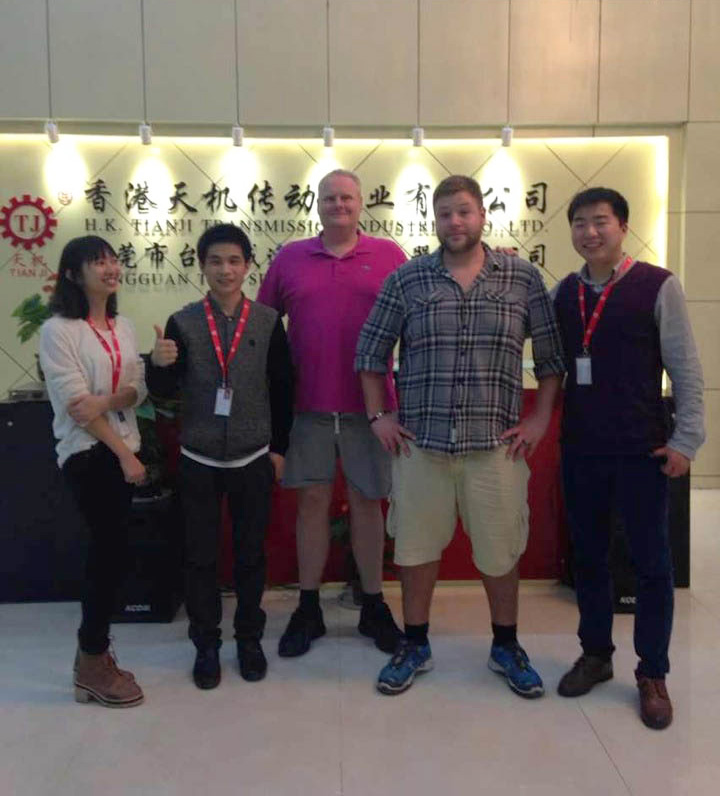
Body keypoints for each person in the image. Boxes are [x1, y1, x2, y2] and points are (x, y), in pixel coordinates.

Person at [355, 174, 565, 697]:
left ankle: (506, 646)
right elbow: (370, 353)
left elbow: (551, 358)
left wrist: (540, 419)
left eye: (464, 211)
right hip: (420, 445)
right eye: (445, 213)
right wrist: (378, 416)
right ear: (435, 219)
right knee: (416, 550)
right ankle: (415, 644)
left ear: (482, 216)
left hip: (496, 447)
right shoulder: (408, 280)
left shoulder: (520, 278)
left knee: (500, 551)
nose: (455, 222)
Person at [553, 187, 705, 730]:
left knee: (651, 563)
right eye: (580, 223)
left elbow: (685, 368)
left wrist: (686, 440)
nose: (590, 232)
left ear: (623, 226)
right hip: (582, 448)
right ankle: (596, 654)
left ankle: (652, 673)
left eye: (601, 221)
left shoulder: (658, 285)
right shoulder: (564, 292)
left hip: (643, 449)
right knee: (589, 557)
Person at [258, 169, 406, 658]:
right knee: (312, 505)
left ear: (360, 203)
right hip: (307, 409)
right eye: (329, 198)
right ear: (317, 205)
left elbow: (416, 322)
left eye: (346, 197)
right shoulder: (290, 258)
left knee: (368, 504)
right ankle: (308, 608)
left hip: (373, 410)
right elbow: (263, 326)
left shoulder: (389, 256)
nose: (338, 205)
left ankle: (373, 606)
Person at [147, 223, 293, 689]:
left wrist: (279, 449)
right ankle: (206, 644)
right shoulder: (183, 322)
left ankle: (248, 639)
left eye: (233, 261)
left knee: (250, 555)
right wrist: (158, 365)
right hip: (200, 457)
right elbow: (165, 392)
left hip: (253, 457)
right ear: (202, 267)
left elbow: (283, 388)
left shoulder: (267, 321)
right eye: (215, 261)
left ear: (248, 266)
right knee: (200, 558)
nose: (225, 270)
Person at [39, 235, 147, 708]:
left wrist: (108, 400)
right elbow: (76, 407)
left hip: (123, 447)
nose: (110, 268)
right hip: (89, 453)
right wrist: (123, 454)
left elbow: (137, 389)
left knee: (115, 555)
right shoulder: (58, 330)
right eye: (97, 262)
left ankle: (94, 655)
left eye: (112, 260)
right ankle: (91, 661)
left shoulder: (123, 326)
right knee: (107, 555)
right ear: (72, 274)